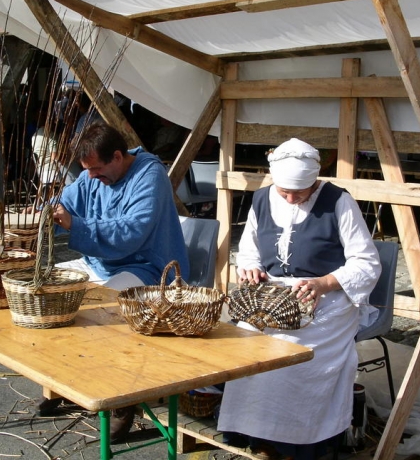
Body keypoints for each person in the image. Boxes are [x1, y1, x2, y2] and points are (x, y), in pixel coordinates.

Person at [217, 138, 381, 460]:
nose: (291, 199)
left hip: (327, 300)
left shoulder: (338, 201)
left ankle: (300, 442)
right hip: (271, 299)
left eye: (300, 193)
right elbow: (249, 247)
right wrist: (250, 268)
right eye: (284, 192)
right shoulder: (262, 198)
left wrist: (323, 283)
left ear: (315, 181)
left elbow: (366, 262)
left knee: (299, 357)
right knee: (248, 346)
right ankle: (257, 437)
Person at [41, 123, 190, 440]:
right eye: (87, 170)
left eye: (96, 168)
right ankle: (72, 381)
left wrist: (74, 225)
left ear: (118, 157)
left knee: (103, 310)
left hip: (149, 267)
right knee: (54, 293)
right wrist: (43, 215)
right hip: (102, 262)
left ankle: (124, 401)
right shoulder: (90, 175)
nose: (91, 176)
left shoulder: (150, 175)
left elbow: (131, 234)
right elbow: (65, 203)